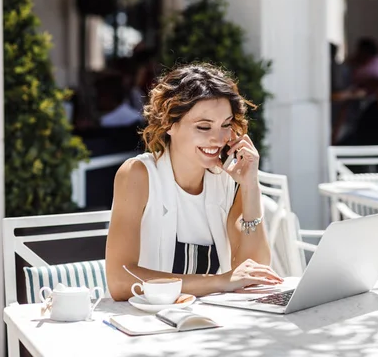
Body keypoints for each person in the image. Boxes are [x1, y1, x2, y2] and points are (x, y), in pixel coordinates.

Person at [105, 63, 282, 301]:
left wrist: (251, 188)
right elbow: (119, 281)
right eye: (203, 126)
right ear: (169, 124)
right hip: (146, 324)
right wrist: (220, 281)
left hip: (209, 322)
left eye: (226, 125)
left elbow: (255, 272)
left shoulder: (229, 181)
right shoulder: (138, 175)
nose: (218, 138)